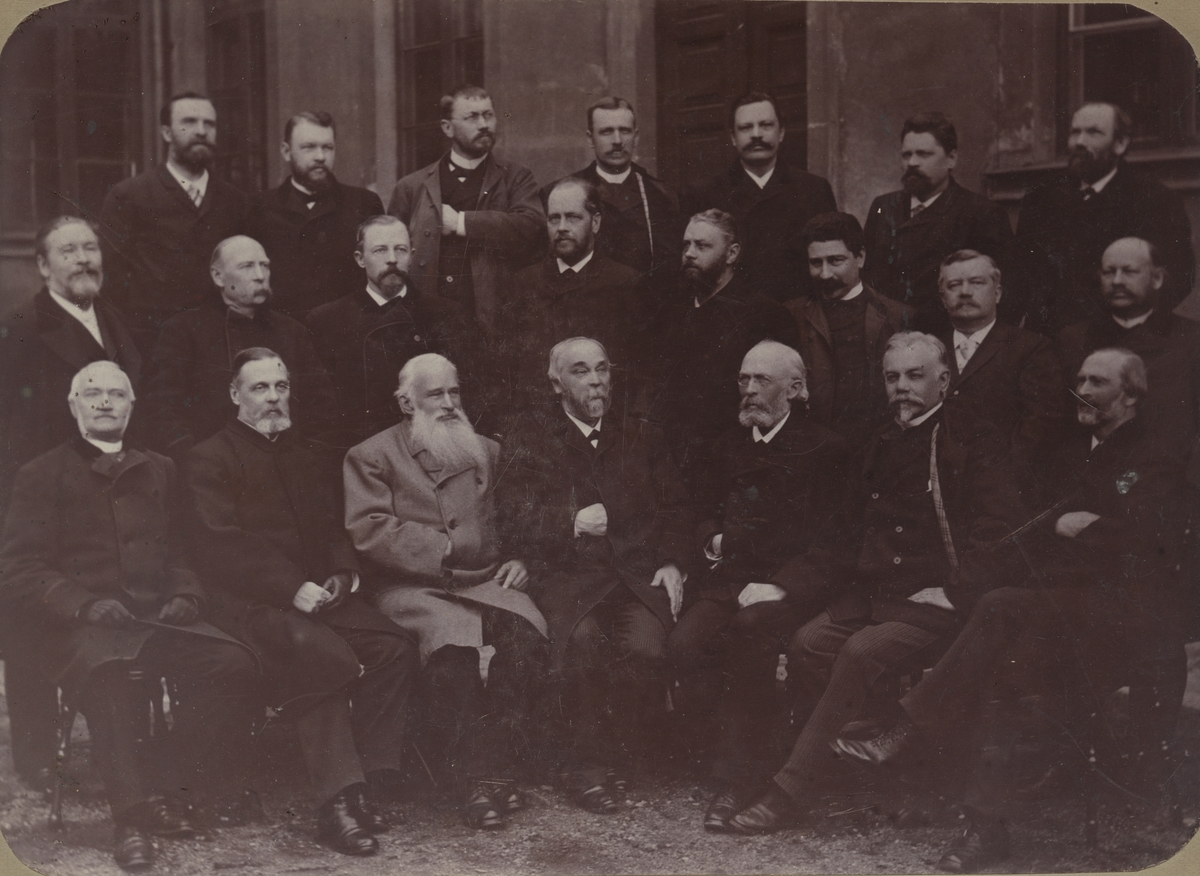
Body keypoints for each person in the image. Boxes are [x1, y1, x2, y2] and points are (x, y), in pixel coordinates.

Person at [834, 348, 1190, 874]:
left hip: (1123, 622)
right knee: (1001, 673)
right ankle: (985, 829)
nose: (1082, 391)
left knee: (1000, 606)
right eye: (1079, 379)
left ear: (1130, 395)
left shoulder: (1154, 457)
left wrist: (1085, 529)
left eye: (1097, 382)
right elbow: (1028, 534)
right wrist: (1063, 529)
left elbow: (1153, 545)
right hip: (1057, 614)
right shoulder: (1069, 454)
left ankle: (907, 730)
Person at [726, 332, 1026, 834]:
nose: (901, 387)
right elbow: (843, 532)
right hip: (875, 595)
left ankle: (790, 791)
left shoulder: (972, 440)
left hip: (939, 600)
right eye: (892, 377)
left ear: (944, 381)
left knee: (860, 653)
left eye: (914, 376)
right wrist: (787, 585)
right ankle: (849, 769)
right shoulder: (878, 441)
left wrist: (957, 591)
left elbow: (1002, 529)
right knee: (808, 644)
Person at [0, 361, 259, 870]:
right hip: (83, 626)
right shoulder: (41, 472)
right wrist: (83, 603)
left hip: (155, 618)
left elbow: (182, 549)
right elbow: (19, 566)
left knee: (233, 664)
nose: (104, 402)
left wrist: (186, 593)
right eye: (92, 393)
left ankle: (169, 785)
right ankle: (132, 819)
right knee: (109, 673)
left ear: (132, 405)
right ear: (73, 405)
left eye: (116, 394)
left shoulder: (160, 467)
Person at [187, 348, 418, 856]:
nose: (274, 398)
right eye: (260, 388)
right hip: (250, 607)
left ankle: (369, 783)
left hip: (315, 598)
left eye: (281, 386)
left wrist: (342, 574)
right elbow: (219, 544)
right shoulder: (210, 457)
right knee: (320, 656)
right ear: (235, 395)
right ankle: (337, 804)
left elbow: (333, 528)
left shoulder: (306, 453)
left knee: (393, 646)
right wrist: (289, 586)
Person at [343, 353, 549, 830]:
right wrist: (445, 547)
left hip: (487, 581)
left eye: (454, 392)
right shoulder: (372, 455)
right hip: (414, 587)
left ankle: (498, 768)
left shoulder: (487, 451)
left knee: (529, 638)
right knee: (453, 653)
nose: (450, 404)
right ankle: (473, 782)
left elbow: (518, 517)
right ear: (406, 403)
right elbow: (370, 529)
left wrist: (522, 559)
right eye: (435, 394)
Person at [666, 340, 853, 831]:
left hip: (793, 586)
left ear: (795, 389)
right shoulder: (726, 446)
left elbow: (836, 542)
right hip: (729, 578)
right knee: (686, 643)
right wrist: (712, 541)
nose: (748, 390)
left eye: (761, 380)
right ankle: (725, 751)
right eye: (743, 379)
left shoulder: (827, 449)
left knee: (749, 632)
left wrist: (783, 587)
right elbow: (701, 510)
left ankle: (742, 775)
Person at [504, 338, 691, 813]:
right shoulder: (530, 438)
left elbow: (676, 506)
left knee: (647, 648)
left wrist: (672, 562)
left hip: (633, 575)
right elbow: (510, 516)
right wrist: (570, 521)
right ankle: (584, 769)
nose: (596, 382)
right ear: (556, 383)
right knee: (581, 643)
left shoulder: (642, 435)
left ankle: (620, 756)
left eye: (602, 370)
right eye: (581, 371)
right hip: (567, 578)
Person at [0, 215, 143, 790]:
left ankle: (118, 745)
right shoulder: (21, 326)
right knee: (32, 613)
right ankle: (37, 757)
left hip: (108, 488)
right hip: (41, 494)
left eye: (90, 248)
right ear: (42, 266)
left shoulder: (114, 319)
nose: (84, 259)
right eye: (68, 251)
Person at [143, 235, 337, 459]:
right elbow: (162, 408)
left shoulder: (293, 332)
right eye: (247, 266)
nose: (260, 275)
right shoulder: (183, 331)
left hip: (288, 464)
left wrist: (308, 460)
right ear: (218, 276)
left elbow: (322, 409)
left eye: (264, 266)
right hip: (215, 467)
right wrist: (195, 460)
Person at [651, 209, 801, 493]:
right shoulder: (670, 312)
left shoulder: (763, 314)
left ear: (732, 253)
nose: (690, 254)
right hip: (673, 463)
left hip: (736, 465)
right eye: (686, 245)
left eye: (702, 246)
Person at [1014, 102, 1194, 331]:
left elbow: (1176, 277)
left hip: (1119, 336)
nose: (1079, 142)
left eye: (1093, 132)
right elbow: (1020, 275)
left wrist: (1130, 325)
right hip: (1048, 338)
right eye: (1075, 132)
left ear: (1120, 144)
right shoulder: (1040, 199)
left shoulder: (1154, 200)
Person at [305, 216, 476, 447]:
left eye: (401, 250)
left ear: (411, 256)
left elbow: (472, 395)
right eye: (380, 250)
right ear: (360, 259)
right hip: (361, 450)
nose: (393, 259)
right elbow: (323, 410)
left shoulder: (448, 315)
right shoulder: (327, 321)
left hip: (435, 447)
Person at [98, 93, 248, 351]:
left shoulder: (236, 200)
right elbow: (111, 279)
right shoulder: (129, 195)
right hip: (151, 340)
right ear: (166, 133)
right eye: (189, 122)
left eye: (209, 124)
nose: (201, 131)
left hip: (220, 340)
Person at [388, 85, 544, 333]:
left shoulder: (516, 178)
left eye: (488, 115)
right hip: (428, 322)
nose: (484, 125)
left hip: (492, 320)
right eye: (472, 117)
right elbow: (391, 253)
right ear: (447, 128)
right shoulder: (411, 187)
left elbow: (532, 226)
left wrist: (460, 222)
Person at [500, 177, 647, 418]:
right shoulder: (523, 283)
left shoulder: (625, 283)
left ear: (595, 222)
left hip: (603, 419)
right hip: (537, 420)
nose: (562, 227)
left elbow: (639, 371)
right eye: (554, 218)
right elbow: (508, 367)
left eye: (573, 217)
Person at [1057, 236, 1200, 476]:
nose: (1117, 281)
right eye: (1108, 272)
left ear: (1157, 279)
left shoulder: (1192, 339)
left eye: (1129, 272)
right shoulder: (1073, 339)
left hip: (1168, 479)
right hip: (1091, 477)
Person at [934, 249, 1066, 501]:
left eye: (976, 282)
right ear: (943, 297)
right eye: (954, 285)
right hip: (939, 490)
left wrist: (999, 480)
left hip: (1007, 491)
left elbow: (1041, 425)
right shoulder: (930, 349)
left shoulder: (1031, 348)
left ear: (997, 293)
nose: (965, 292)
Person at [862, 112, 1012, 330]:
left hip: (947, 335)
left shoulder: (982, 213)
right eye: (906, 155)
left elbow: (1004, 292)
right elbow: (867, 277)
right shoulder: (883, 207)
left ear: (951, 158)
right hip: (888, 332)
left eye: (924, 154)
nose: (912, 163)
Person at [683, 92, 836, 302]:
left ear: (781, 132)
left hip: (797, 313)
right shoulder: (704, 193)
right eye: (746, 127)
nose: (756, 134)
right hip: (730, 313)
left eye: (766, 125)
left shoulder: (814, 189)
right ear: (733, 137)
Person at [785, 212, 913, 450]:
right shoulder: (791, 316)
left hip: (879, 449)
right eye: (816, 263)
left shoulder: (898, 317)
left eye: (836, 261)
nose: (825, 274)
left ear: (860, 257)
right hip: (811, 449)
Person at [247, 111, 385, 318]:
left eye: (327, 147)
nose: (320, 156)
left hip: (347, 327)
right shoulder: (258, 207)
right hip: (282, 329)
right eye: (309, 147)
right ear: (286, 151)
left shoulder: (364, 203)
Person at [556, 96, 682, 281]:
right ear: (590, 138)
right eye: (606, 131)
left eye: (625, 131)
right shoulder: (562, 193)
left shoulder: (662, 196)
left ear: (636, 137)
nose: (617, 140)